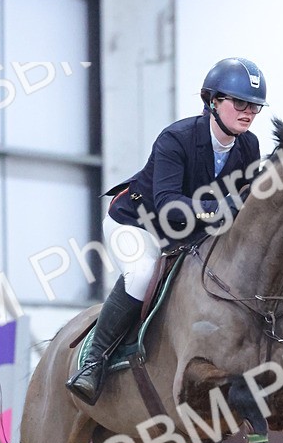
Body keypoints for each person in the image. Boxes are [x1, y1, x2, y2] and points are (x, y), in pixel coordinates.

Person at [66, 56, 266, 404]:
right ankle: (93, 361)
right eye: (240, 103)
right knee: (143, 274)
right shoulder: (176, 138)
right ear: (213, 101)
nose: (248, 112)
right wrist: (219, 209)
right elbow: (169, 204)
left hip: (189, 232)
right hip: (138, 224)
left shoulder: (249, 146)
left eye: (254, 106)